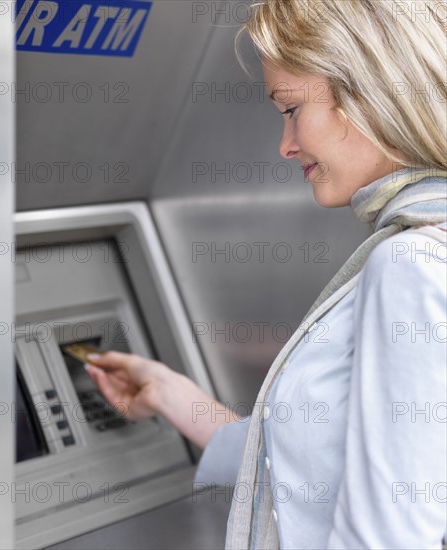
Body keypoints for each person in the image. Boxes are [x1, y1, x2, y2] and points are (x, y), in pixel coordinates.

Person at [85, 1, 447, 548]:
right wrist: (169, 395)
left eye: (290, 108)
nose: (285, 145)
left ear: (371, 94)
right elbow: (319, 467)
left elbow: (390, 535)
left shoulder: (410, 265)